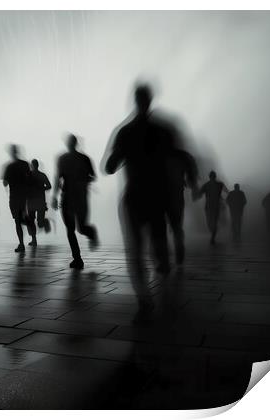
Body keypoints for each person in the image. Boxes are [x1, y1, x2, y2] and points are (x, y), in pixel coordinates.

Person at [104, 83, 177, 319]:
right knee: (159, 244)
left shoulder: (125, 132)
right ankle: (164, 283)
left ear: (135, 101)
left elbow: (109, 167)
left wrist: (124, 154)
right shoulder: (163, 130)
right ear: (151, 100)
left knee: (134, 249)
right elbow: (174, 163)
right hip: (157, 195)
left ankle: (144, 298)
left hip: (134, 197)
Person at [51, 134, 99, 269]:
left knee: (73, 229)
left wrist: (55, 196)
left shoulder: (63, 158)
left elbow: (57, 179)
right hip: (78, 196)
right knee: (78, 227)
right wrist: (83, 181)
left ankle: (78, 257)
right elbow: (92, 176)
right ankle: (77, 257)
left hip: (70, 196)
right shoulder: (84, 158)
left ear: (68, 144)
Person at [164, 148, 198, 264]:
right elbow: (191, 179)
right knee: (176, 224)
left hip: (160, 195)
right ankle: (178, 248)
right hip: (176, 195)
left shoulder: (154, 152)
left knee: (160, 224)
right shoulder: (182, 155)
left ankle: (164, 255)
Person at [2, 144, 36, 253]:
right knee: (20, 217)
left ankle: (21, 244)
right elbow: (30, 178)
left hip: (14, 196)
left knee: (17, 221)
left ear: (11, 153)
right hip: (23, 195)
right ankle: (29, 224)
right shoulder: (25, 164)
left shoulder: (9, 166)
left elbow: (5, 183)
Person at [195, 171, 228, 245]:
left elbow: (198, 194)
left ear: (209, 176)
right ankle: (213, 234)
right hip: (214, 206)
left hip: (210, 206)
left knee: (210, 222)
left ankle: (213, 235)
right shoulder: (219, 184)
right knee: (213, 222)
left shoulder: (207, 185)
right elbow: (227, 191)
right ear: (214, 176)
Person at [29, 159, 52, 239]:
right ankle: (34, 239)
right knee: (34, 221)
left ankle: (34, 239)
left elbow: (49, 186)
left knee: (35, 222)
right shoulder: (41, 175)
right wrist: (42, 188)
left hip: (36, 201)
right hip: (36, 201)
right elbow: (49, 186)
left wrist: (41, 188)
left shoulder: (30, 175)